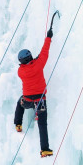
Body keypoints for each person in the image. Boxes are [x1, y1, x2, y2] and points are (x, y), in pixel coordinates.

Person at [15, 27, 54, 157]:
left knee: (19, 103)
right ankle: (45, 149)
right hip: (40, 101)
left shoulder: (20, 71)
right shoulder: (38, 64)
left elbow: (30, 65)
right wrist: (49, 37)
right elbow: (45, 52)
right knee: (42, 124)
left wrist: (33, 61)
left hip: (27, 101)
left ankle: (18, 124)